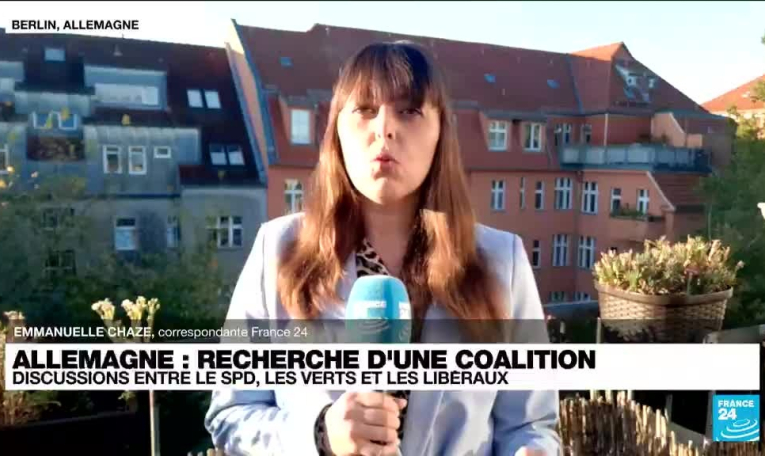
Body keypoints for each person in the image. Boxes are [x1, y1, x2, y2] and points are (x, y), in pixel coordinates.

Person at [204, 40, 561, 456]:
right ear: (337, 131)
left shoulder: (502, 261)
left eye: (409, 111)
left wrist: (532, 450)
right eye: (365, 109)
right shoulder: (278, 250)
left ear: (441, 132)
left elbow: (531, 424)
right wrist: (320, 435)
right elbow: (230, 416)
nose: (384, 128)